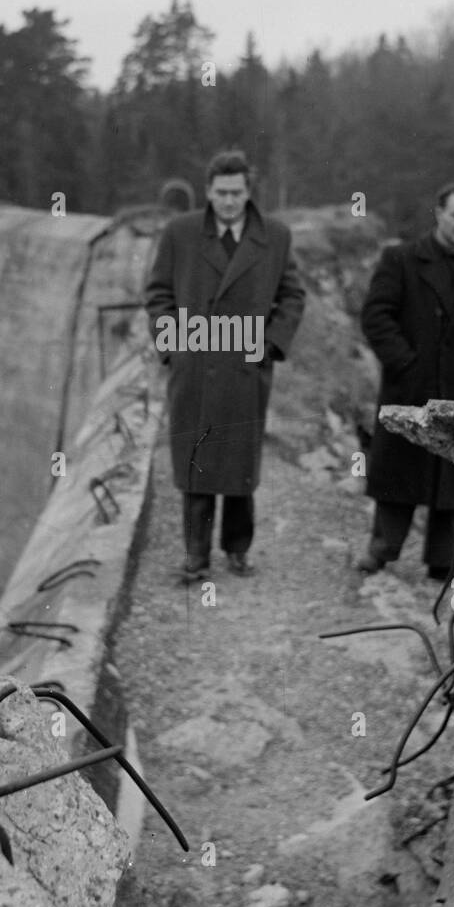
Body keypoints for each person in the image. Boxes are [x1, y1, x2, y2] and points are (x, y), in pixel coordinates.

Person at [144, 149, 306, 583]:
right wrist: (172, 347)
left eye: (236, 193)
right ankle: (196, 556)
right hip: (195, 364)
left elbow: (292, 296)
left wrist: (269, 346)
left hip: (244, 367)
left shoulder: (274, 236)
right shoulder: (180, 233)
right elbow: (158, 294)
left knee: (239, 466)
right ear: (208, 193)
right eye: (221, 193)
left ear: (248, 192)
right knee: (195, 465)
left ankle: (237, 550)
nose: (229, 202)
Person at [357, 183, 454, 580]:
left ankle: (442, 561)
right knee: (398, 474)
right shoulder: (400, 260)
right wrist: (407, 364)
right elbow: (375, 316)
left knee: (451, 482)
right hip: (409, 389)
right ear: (438, 214)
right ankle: (381, 552)